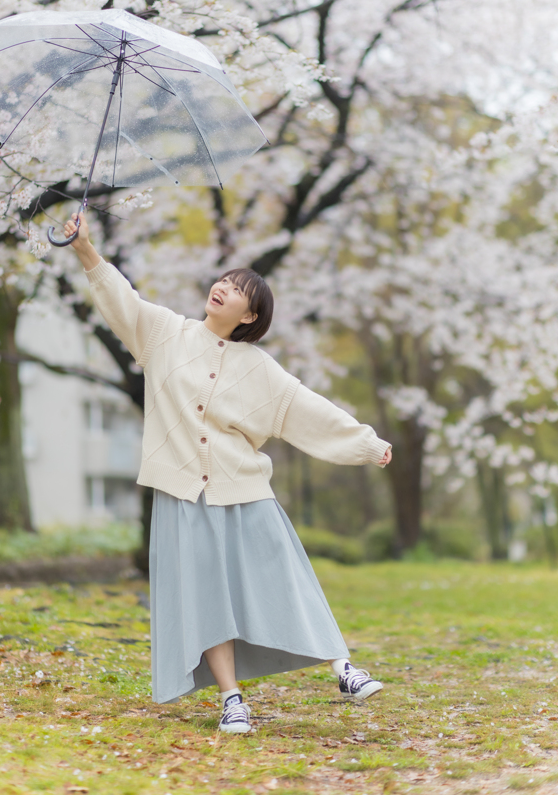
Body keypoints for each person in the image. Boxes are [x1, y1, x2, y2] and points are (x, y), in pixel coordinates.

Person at [64, 212, 392, 734]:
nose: (222, 288)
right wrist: (84, 249)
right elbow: (119, 300)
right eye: (223, 280)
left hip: (243, 488)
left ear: (249, 315)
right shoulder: (164, 334)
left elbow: (306, 408)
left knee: (285, 576)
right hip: (181, 493)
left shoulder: (260, 368)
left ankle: (343, 668)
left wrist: (366, 444)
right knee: (206, 596)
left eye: (237, 289)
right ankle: (231, 699)